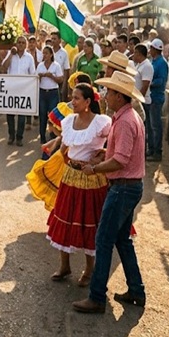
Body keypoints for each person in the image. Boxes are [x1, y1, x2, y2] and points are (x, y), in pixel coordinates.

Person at [73, 71, 147, 314]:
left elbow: (121, 161)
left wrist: (95, 168)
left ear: (119, 95)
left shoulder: (124, 121)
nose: (104, 95)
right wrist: (104, 154)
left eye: (109, 92)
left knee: (103, 240)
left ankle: (97, 297)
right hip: (129, 186)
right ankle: (136, 290)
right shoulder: (125, 117)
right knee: (122, 240)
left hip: (123, 186)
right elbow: (120, 154)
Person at [47, 83, 111, 289]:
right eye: (72, 97)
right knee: (64, 219)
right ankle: (64, 266)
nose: (72, 102)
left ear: (87, 102)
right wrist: (55, 148)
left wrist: (99, 156)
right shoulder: (68, 121)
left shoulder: (101, 123)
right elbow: (65, 146)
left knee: (88, 223)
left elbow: (114, 144)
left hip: (91, 179)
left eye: (76, 98)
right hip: (70, 177)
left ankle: (89, 270)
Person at [2, 36, 36, 146]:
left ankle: (19, 137)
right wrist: (11, 54)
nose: (20, 44)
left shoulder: (29, 58)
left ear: (26, 45)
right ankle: (11, 135)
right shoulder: (11, 54)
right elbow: (4, 67)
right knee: (10, 115)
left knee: (22, 115)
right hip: (11, 90)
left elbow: (32, 74)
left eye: (22, 43)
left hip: (24, 90)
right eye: (19, 42)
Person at [36, 45, 64, 144]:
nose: (45, 55)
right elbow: (35, 80)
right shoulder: (40, 65)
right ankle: (42, 136)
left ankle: (53, 135)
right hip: (43, 92)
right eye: (43, 53)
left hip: (53, 92)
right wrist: (40, 77)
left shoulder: (56, 65)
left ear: (51, 54)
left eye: (46, 53)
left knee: (53, 116)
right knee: (42, 114)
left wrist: (51, 76)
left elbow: (60, 79)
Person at [147, 38, 169, 161]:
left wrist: (149, 83)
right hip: (151, 97)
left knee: (156, 125)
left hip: (156, 97)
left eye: (151, 48)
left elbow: (161, 81)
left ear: (155, 49)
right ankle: (151, 149)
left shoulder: (162, 63)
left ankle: (157, 152)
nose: (150, 50)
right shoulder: (154, 61)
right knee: (150, 125)